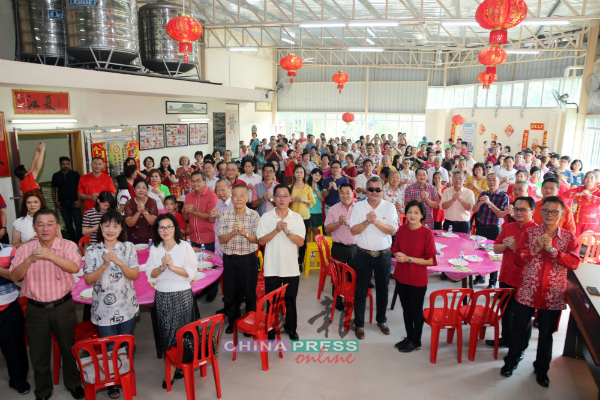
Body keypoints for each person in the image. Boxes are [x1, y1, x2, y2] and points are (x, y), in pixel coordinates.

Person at [501, 197, 579, 388]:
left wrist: (552, 250)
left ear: (562, 214)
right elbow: (518, 259)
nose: (550, 215)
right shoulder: (529, 233)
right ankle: (511, 362)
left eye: (555, 212)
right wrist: (535, 249)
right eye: (546, 211)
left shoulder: (569, 237)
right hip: (527, 289)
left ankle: (541, 370)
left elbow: (574, 263)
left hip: (552, 293)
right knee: (519, 328)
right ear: (540, 212)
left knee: (546, 334)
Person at [10, 209, 85, 400]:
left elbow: (74, 267)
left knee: (69, 349)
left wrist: (50, 255)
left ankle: (73, 383)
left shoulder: (67, 245)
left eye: (50, 224)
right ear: (34, 227)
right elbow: (15, 276)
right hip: (36, 310)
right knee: (39, 354)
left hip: (63, 307)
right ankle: (43, 391)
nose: (45, 228)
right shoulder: (25, 250)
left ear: (57, 226)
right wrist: (30, 260)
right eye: (40, 224)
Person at [83, 210, 139, 399]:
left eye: (115, 225)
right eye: (107, 225)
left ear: (121, 228)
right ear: (100, 227)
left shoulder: (128, 247)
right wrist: (104, 265)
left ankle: (124, 375)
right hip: (103, 310)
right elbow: (89, 280)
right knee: (109, 347)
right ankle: (112, 382)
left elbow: (134, 275)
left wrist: (119, 263)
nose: (111, 229)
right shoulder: (92, 250)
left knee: (124, 345)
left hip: (126, 306)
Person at [146, 214, 197, 388]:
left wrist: (172, 267)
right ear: (157, 231)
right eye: (162, 227)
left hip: (182, 294)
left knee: (183, 333)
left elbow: (192, 273)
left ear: (175, 228)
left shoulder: (184, 247)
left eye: (169, 226)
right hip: (162, 294)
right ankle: (173, 367)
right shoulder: (155, 248)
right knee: (167, 333)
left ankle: (179, 365)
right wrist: (161, 267)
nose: (166, 230)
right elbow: (150, 274)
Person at [349, 176, 398, 339]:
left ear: (383, 191)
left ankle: (381, 320)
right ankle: (359, 324)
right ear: (366, 190)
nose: (374, 193)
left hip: (383, 255)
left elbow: (392, 230)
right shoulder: (358, 206)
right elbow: (354, 230)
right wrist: (366, 222)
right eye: (371, 189)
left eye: (378, 190)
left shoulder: (389, 207)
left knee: (383, 290)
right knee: (361, 291)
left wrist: (376, 222)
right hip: (363, 254)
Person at [486, 196, 537, 353]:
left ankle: (519, 349)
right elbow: (495, 248)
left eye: (523, 209)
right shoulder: (509, 227)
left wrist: (515, 247)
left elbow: (535, 258)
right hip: (506, 277)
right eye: (516, 209)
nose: (519, 212)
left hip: (524, 281)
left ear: (532, 211)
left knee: (522, 318)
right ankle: (506, 338)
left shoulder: (537, 232)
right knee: (506, 312)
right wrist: (505, 245)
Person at [257, 184, 305, 340]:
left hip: (291, 268)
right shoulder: (266, 217)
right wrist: (276, 230)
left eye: (285, 195)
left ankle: (292, 328)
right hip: (272, 267)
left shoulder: (296, 218)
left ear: (290, 198)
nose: (282, 199)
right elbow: (262, 240)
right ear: (274, 198)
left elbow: (301, 242)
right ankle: (271, 328)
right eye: (279, 195)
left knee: (291, 300)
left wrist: (287, 232)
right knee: (272, 301)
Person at [392, 200, 437, 353]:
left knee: (416, 311)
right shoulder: (402, 229)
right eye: (410, 212)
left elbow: (431, 260)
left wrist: (408, 259)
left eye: (416, 212)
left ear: (422, 215)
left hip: (417, 278)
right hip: (401, 275)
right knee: (405, 309)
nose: (412, 215)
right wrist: (397, 253)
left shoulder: (427, 234)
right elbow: (395, 248)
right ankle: (409, 337)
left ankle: (416, 341)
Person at [218, 185, 260, 333]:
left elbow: (257, 240)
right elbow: (222, 239)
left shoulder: (254, 215)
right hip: (230, 259)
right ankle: (233, 322)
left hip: (248, 259)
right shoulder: (225, 215)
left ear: (247, 198)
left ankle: (250, 324)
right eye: (236, 195)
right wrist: (233, 233)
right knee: (230, 294)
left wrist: (243, 233)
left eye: (242, 195)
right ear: (232, 198)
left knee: (249, 293)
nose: (239, 198)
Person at [0, 241, 30, 395]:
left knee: (14, 346)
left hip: (7, 306)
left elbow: (16, 277)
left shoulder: (9, 250)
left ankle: (19, 380)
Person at [472, 174, 510, 288]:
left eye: (494, 180)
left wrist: (489, 203)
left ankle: (492, 282)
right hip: (481, 227)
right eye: (489, 180)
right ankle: (479, 277)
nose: (491, 182)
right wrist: (480, 202)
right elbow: (474, 210)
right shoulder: (483, 194)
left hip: (495, 229)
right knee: (479, 253)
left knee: (494, 255)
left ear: (499, 182)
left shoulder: (503, 196)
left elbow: (500, 214)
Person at [324, 183, 357, 311]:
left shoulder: (359, 208)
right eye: (342, 192)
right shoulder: (333, 209)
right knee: (337, 276)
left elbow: (363, 227)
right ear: (339, 194)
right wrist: (339, 223)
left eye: (347, 192)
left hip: (355, 247)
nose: (345, 195)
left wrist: (350, 224)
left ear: (352, 193)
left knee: (353, 275)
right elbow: (327, 228)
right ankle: (337, 300)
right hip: (339, 247)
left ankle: (351, 298)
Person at [182, 171, 218, 250]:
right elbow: (185, 218)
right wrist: (185, 211)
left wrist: (195, 212)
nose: (195, 183)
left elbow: (212, 217)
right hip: (193, 238)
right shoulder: (188, 196)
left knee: (209, 261)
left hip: (209, 239)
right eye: (193, 181)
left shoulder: (212, 196)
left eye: (198, 181)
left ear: (205, 182)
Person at [289, 164, 316, 267]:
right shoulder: (290, 187)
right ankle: (291, 261)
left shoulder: (307, 187)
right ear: (294, 174)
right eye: (297, 172)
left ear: (304, 174)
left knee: (301, 241)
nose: (299, 174)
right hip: (291, 218)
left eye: (301, 172)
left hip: (304, 218)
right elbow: (285, 203)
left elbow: (312, 202)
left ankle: (300, 262)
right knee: (291, 239)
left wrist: (303, 200)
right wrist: (293, 200)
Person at [51, 156, 82, 243]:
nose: (65, 166)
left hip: (74, 202)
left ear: (69, 164)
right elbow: (53, 189)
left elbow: (80, 188)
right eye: (63, 164)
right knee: (68, 224)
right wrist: (55, 201)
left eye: (67, 164)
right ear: (60, 165)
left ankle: (81, 242)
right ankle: (73, 242)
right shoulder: (56, 175)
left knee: (78, 223)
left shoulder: (75, 174)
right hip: (63, 204)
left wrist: (79, 200)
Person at [561, 171, 600, 236]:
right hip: (578, 218)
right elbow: (564, 194)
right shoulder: (580, 189)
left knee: (589, 242)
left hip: (592, 220)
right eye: (587, 177)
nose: (589, 179)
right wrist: (578, 194)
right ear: (584, 179)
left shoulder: (598, 191)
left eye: (591, 178)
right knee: (576, 239)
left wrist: (590, 195)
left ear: (596, 180)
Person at [124, 179, 158, 245]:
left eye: (144, 188)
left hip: (150, 240)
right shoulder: (129, 203)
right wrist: (138, 212)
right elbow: (129, 223)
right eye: (138, 187)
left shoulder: (152, 202)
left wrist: (144, 211)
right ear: (134, 189)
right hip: (133, 239)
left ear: (147, 190)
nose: (141, 190)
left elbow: (153, 222)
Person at [209, 179, 234, 258]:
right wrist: (212, 214)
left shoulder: (235, 203)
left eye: (223, 190)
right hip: (218, 245)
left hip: (230, 248)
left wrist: (221, 215)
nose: (220, 193)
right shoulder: (219, 201)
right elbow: (212, 220)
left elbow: (235, 224)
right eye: (218, 190)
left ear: (230, 188)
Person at [307, 168, 325, 241]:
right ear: (311, 175)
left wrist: (316, 190)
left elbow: (322, 199)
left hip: (317, 211)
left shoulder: (321, 186)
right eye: (315, 175)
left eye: (319, 175)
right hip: (307, 211)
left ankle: (315, 249)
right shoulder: (306, 186)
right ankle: (308, 248)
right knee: (307, 231)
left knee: (315, 231)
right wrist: (311, 189)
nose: (317, 177)